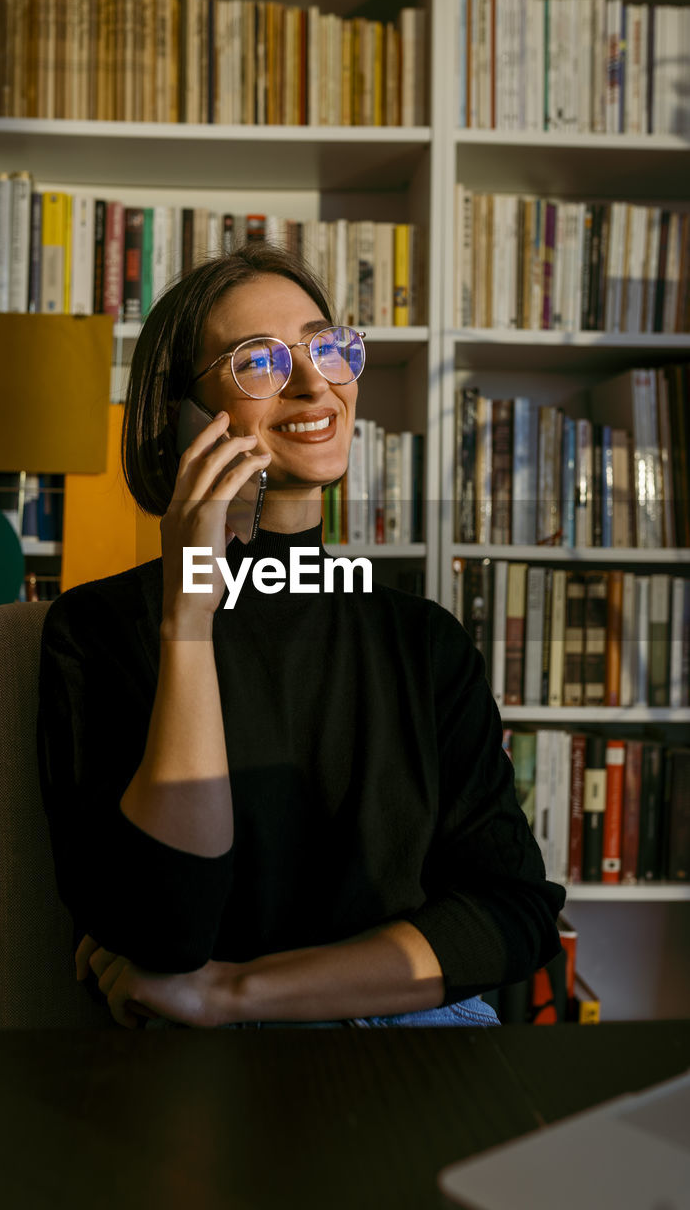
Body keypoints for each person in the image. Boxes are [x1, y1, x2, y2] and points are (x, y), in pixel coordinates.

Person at [37, 242, 565, 1030]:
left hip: (408, 1040)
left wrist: (233, 991)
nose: (314, 381)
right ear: (181, 413)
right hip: (196, 1059)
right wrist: (188, 616)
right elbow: (162, 931)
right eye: (259, 360)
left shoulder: (420, 640)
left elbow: (514, 915)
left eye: (325, 345)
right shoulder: (97, 630)